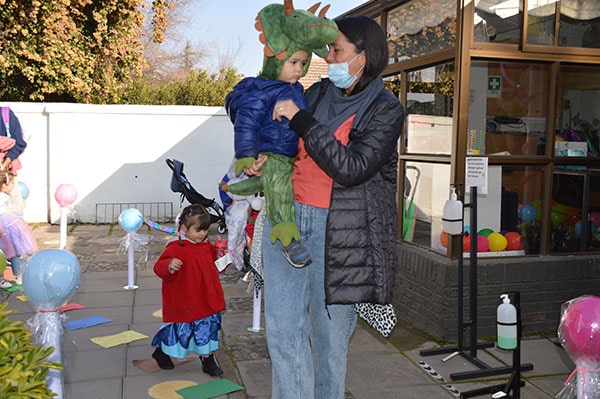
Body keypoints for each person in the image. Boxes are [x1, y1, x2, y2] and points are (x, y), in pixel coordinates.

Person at [244, 15, 405, 398]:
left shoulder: (386, 109)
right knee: (283, 334)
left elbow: (353, 168)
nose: (329, 57)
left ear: (363, 57)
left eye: (337, 50)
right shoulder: (314, 93)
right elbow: (279, 136)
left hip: (340, 236)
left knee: (330, 341)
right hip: (287, 224)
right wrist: (261, 155)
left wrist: (300, 121)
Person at [223, 1, 338, 269]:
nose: (299, 69)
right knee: (279, 186)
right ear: (276, 58)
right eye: (294, 62)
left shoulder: (297, 89)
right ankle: (287, 236)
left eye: (303, 62)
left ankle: (246, 188)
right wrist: (246, 156)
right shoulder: (263, 91)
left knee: (282, 182)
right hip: (271, 155)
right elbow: (246, 123)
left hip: (290, 156)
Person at [150, 204, 226, 376]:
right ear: (184, 228)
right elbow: (158, 267)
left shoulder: (205, 245)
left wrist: (220, 251)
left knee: (206, 329)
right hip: (185, 299)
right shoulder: (176, 247)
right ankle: (161, 353)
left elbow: (213, 258)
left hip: (205, 297)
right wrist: (169, 265)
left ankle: (207, 359)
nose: (203, 234)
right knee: (181, 333)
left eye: (205, 230)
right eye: (198, 230)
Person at [0, 171, 37, 288]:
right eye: (11, 183)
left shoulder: (5, 196)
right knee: (4, 253)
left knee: (15, 251)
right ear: (4, 185)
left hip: (10, 224)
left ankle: (19, 275)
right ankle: (3, 277)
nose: (13, 186)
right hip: (3, 226)